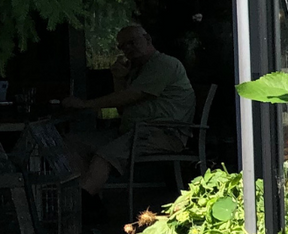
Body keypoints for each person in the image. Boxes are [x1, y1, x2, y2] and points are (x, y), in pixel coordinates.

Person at [61, 24, 196, 204]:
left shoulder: (164, 64)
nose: (127, 49)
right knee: (73, 142)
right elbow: (123, 109)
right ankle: (88, 197)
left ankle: (83, 204)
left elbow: (129, 97)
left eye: (132, 43)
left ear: (147, 39)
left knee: (104, 155)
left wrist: (85, 104)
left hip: (161, 133)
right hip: (133, 131)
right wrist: (118, 78)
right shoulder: (138, 70)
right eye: (122, 46)